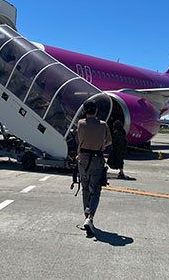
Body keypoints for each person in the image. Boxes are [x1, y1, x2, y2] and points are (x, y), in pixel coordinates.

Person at [75, 100, 111, 237]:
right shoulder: (103, 125)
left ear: (84, 110)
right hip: (97, 159)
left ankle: (86, 216)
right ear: (96, 110)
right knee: (95, 190)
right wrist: (101, 145)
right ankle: (90, 218)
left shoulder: (81, 123)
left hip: (83, 159)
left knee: (85, 188)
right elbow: (109, 140)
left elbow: (80, 140)